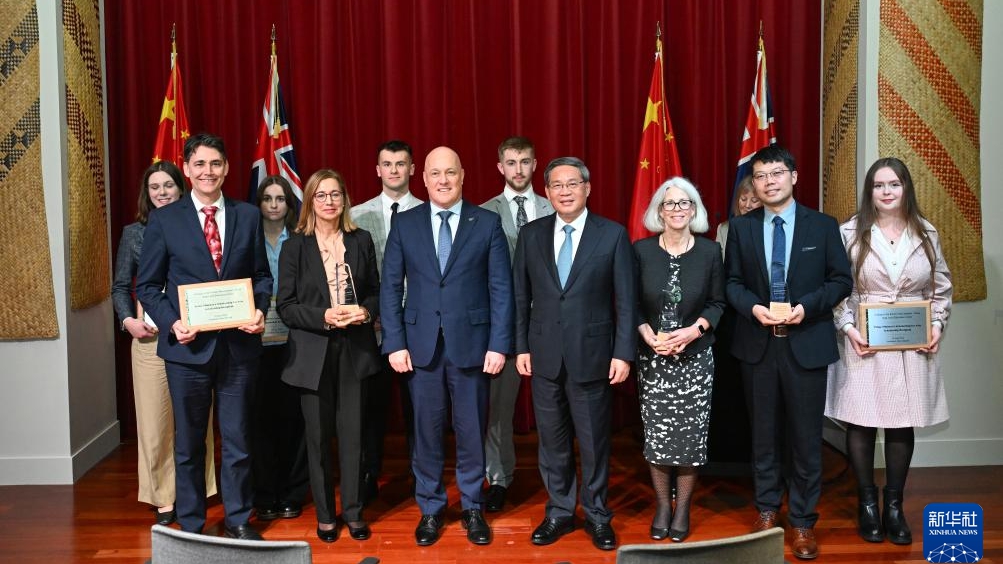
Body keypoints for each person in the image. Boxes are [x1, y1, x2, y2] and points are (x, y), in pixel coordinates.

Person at [136, 133, 272, 540]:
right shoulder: (165, 219)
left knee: (238, 440)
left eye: (215, 164)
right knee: (190, 444)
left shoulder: (248, 215)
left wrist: (260, 309)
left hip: (238, 348)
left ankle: (239, 520)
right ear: (187, 168)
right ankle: (192, 525)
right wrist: (173, 322)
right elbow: (147, 286)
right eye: (199, 164)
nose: (208, 172)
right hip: (187, 349)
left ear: (227, 168)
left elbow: (261, 276)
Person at [380, 146, 513, 547]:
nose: (443, 180)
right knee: (426, 432)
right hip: (420, 348)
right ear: (423, 178)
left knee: (472, 431)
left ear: (463, 175)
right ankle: (432, 508)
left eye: (450, 173)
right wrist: (394, 343)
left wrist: (499, 345)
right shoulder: (405, 224)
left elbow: (501, 290)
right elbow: (390, 289)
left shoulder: (487, 223)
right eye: (435, 173)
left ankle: (473, 506)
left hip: (473, 346)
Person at [724, 145, 852, 560]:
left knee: (805, 438)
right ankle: (765, 511)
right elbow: (732, 284)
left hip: (806, 343)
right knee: (763, 436)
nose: (769, 182)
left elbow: (840, 281)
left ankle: (801, 520)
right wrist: (753, 308)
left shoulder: (823, 226)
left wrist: (806, 308)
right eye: (760, 176)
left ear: (793, 177)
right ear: (754, 183)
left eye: (776, 173)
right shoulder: (741, 229)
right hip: (758, 345)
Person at [825, 157, 952, 545]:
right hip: (863, 342)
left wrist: (935, 325)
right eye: (879, 185)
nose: (886, 192)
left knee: (901, 423)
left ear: (905, 189)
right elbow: (835, 287)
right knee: (862, 422)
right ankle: (867, 504)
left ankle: (893, 506)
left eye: (894, 184)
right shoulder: (849, 232)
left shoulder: (926, 233)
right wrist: (847, 328)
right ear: (870, 191)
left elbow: (940, 289)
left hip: (910, 344)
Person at [513, 156, 636, 551]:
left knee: (595, 442)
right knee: (552, 442)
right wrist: (520, 347)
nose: (564, 191)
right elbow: (520, 298)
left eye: (572, 184)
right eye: (556, 186)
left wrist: (623, 353)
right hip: (544, 355)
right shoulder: (531, 235)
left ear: (587, 188)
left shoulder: (612, 235)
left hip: (595, 356)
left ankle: (598, 515)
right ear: (546, 192)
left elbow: (627, 301)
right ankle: (560, 512)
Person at [277, 169, 382, 542]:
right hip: (312, 352)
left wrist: (365, 312)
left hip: (355, 348)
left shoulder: (361, 239)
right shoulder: (295, 246)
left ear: (345, 199)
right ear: (309, 201)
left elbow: (374, 291)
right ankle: (325, 515)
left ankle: (353, 512)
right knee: (318, 438)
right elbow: (286, 307)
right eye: (321, 195)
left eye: (335, 194)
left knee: (353, 435)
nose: (329, 202)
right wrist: (323, 316)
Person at [112, 161, 217, 526]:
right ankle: (163, 497)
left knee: (193, 421)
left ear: (181, 187)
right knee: (155, 424)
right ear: (147, 193)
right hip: (150, 341)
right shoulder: (134, 233)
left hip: (194, 338)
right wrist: (128, 320)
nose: (161, 192)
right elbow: (122, 285)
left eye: (168, 185)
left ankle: (198, 491)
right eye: (154, 187)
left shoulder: (199, 226)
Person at [634, 177, 725, 542]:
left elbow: (718, 303)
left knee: (689, 438)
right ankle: (661, 505)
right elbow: (630, 304)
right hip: (653, 360)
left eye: (684, 203)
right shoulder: (640, 251)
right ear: (659, 211)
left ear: (694, 210)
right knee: (658, 437)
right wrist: (647, 335)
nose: (677, 209)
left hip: (696, 360)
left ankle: (683, 508)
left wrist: (693, 332)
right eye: (669, 204)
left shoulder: (709, 253)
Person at [478, 136, 554, 512]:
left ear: (535, 164)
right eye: (511, 162)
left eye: (525, 161)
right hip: (503, 328)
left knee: (556, 408)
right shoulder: (482, 213)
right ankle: (499, 479)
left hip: (551, 326)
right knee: (497, 410)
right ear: (500, 167)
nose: (518, 169)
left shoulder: (555, 205)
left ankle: (557, 480)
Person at [350, 140, 422, 504]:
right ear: (377, 170)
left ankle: (421, 477)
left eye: (401, 164)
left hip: (419, 328)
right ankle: (367, 477)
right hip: (371, 330)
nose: (394, 170)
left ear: (412, 169)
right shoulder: (356, 215)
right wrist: (371, 314)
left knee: (420, 409)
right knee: (369, 410)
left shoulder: (429, 212)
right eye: (387, 164)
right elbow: (349, 274)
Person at [250, 175, 309, 522]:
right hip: (255, 338)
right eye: (267, 198)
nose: (274, 204)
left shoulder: (301, 239)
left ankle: (292, 491)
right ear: (258, 203)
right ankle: (264, 492)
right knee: (259, 420)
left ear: (290, 204)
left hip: (294, 338)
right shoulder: (246, 237)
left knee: (293, 419)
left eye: (281, 199)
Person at [715, 175, 761, 259]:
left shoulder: (770, 228)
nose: (747, 205)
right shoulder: (724, 229)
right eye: (743, 199)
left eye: (754, 200)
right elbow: (719, 265)